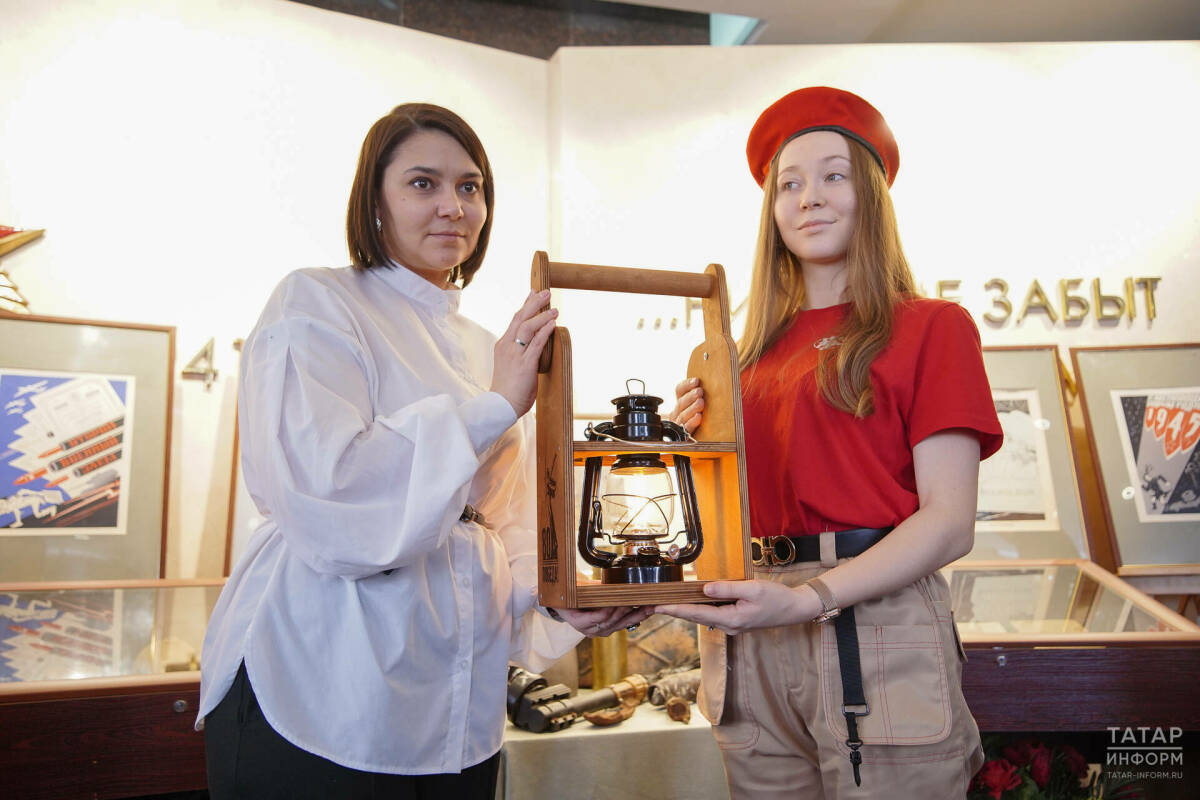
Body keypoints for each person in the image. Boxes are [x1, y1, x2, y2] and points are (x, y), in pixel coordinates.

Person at [197, 103, 648, 799]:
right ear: (373, 201)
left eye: (470, 187)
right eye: (422, 183)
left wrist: (557, 600)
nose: (452, 207)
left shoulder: (480, 344)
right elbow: (332, 493)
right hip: (323, 680)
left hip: (455, 700)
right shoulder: (316, 301)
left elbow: (503, 523)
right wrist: (492, 406)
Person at [656, 87, 1003, 799]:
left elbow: (949, 521)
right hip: (752, 629)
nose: (809, 197)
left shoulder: (932, 327)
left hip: (874, 621)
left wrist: (809, 598)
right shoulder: (740, 360)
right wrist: (690, 450)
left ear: (871, 195)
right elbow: (722, 520)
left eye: (833, 175)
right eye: (789, 184)